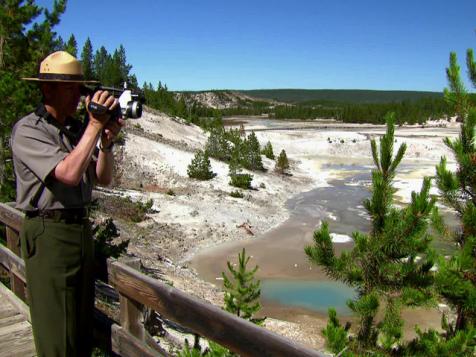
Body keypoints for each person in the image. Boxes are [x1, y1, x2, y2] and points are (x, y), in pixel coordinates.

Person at [11, 51, 124, 357]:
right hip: (49, 232)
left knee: (80, 329)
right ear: (48, 89)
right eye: (70, 88)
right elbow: (70, 174)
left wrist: (106, 143)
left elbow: (103, 178)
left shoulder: (75, 130)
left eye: (80, 88)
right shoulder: (29, 130)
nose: (79, 95)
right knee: (57, 335)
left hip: (79, 230)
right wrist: (94, 125)